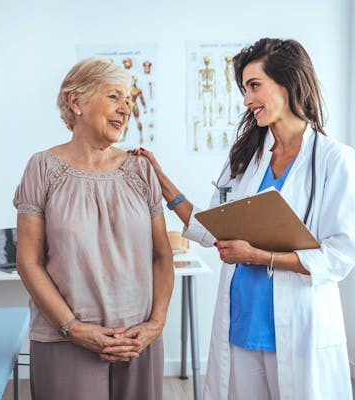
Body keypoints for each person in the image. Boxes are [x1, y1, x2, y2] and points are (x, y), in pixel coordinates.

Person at [133, 38, 355, 399]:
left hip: (301, 327)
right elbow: (209, 227)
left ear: (289, 83)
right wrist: (161, 180)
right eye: (244, 88)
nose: (247, 99)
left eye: (254, 86)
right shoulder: (247, 156)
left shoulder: (334, 160)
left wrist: (260, 257)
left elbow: (340, 255)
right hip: (242, 323)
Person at [13, 56, 174, 400]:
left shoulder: (141, 169)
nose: (126, 108)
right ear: (77, 101)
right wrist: (73, 329)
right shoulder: (42, 168)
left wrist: (155, 325)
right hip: (65, 340)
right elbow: (28, 262)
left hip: (138, 341)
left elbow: (162, 255)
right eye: (114, 96)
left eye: (128, 99)